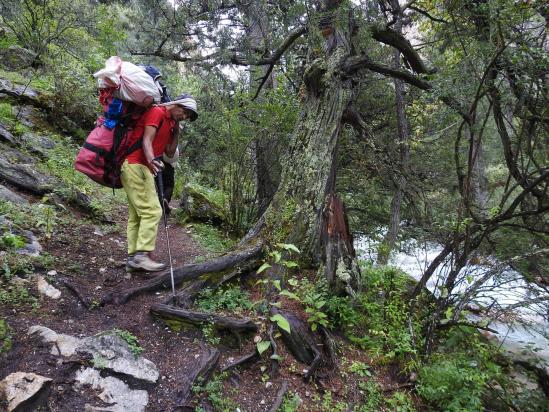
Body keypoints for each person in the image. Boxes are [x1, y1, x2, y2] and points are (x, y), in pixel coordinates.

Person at [122, 94, 198, 272]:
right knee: (153, 210)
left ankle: (133, 257)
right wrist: (150, 160)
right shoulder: (157, 112)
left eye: (187, 117)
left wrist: (177, 131)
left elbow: (170, 153)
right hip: (135, 165)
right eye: (185, 113)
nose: (184, 117)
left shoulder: (171, 123)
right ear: (178, 105)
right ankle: (142, 255)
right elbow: (146, 140)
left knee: (136, 215)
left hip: (144, 167)